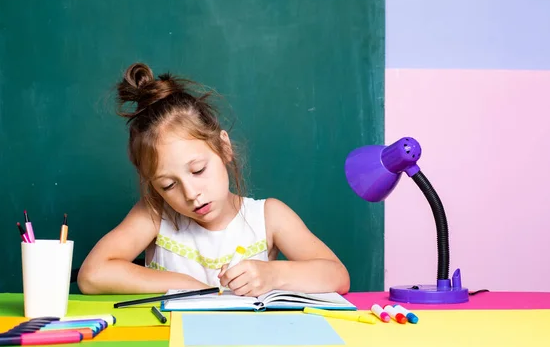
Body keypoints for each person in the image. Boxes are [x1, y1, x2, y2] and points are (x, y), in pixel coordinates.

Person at [77, 63, 350, 296]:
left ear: (224, 148)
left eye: (197, 170)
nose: (191, 193)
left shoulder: (269, 217)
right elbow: (92, 275)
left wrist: (273, 274)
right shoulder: (155, 214)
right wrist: (184, 285)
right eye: (168, 185)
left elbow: (337, 276)